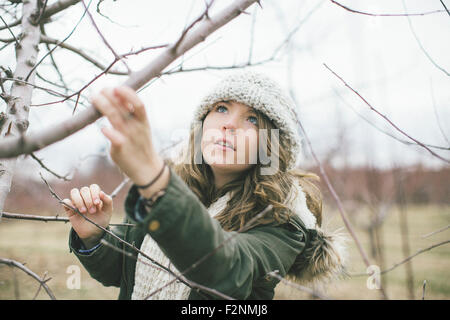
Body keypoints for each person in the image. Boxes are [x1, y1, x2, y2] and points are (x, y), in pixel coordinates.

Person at [62, 71, 347, 300]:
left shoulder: (282, 220)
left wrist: (154, 178)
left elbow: (226, 272)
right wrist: (95, 237)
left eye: (252, 119)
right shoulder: (172, 187)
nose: (229, 125)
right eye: (221, 109)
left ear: (271, 146)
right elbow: (125, 273)